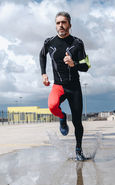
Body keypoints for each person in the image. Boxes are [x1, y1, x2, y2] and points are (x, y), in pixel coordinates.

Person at [39, 11, 90, 161]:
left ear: (69, 24)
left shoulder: (77, 43)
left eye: (64, 22)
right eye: (58, 23)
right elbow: (41, 55)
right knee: (52, 106)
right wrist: (43, 73)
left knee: (77, 122)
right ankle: (62, 117)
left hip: (74, 87)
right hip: (58, 85)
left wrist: (74, 64)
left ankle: (78, 150)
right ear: (55, 25)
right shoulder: (49, 42)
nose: (61, 25)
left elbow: (86, 65)